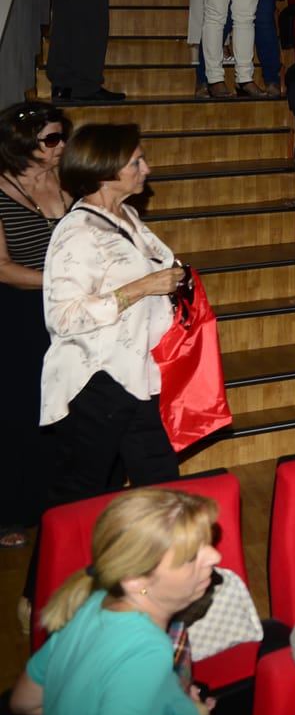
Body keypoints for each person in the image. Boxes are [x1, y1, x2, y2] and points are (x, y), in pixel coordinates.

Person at [40, 123, 185, 504]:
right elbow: (63, 317)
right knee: (81, 495)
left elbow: (154, 270)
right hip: (96, 380)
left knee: (160, 483)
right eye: (136, 162)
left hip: (136, 372)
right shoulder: (77, 232)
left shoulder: (127, 215)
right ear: (104, 171)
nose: (146, 169)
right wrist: (143, 287)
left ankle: (160, 544)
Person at [10, 487, 221, 715]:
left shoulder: (91, 603)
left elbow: (24, 702)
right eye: (191, 557)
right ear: (135, 581)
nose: (215, 556)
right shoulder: (148, 654)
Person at [1, 103, 66, 542]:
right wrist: (62, 281)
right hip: (21, 314)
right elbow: (2, 268)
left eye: (62, 137)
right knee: (22, 413)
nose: (61, 146)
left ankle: (62, 504)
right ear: (22, 144)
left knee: (70, 409)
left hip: (71, 310)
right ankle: (13, 512)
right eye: (51, 140)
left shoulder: (69, 177)